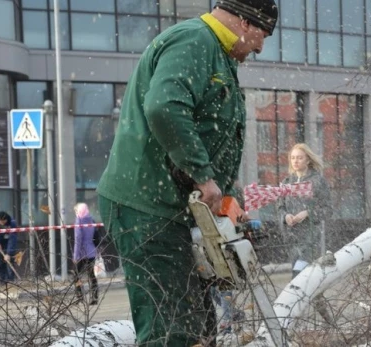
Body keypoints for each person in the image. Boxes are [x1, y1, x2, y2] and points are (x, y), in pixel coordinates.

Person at [96, 1, 278, 345]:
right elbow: (164, 107)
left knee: (197, 325)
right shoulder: (195, 42)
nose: (260, 46)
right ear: (244, 21)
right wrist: (202, 176)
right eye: (262, 35)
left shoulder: (218, 54)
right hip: (148, 207)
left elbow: (211, 136)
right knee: (172, 328)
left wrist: (227, 194)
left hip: (170, 209)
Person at [279, 143, 333, 278]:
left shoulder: (318, 181)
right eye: (293, 158)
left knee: (298, 278)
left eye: (299, 158)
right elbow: (280, 207)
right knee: (305, 282)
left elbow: (328, 209)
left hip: (311, 239)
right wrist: (286, 216)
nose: (295, 161)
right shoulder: (286, 182)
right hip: (292, 240)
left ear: (308, 160)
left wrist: (308, 213)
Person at [72, 202, 98, 305]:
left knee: (76, 275)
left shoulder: (79, 221)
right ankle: (94, 298)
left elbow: (78, 240)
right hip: (91, 252)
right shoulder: (91, 220)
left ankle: (79, 297)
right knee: (91, 275)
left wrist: (75, 255)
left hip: (82, 253)